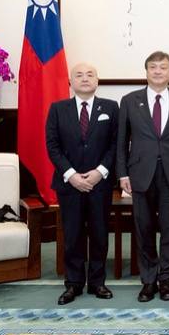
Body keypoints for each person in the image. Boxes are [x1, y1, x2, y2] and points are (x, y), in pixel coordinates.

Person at [117, 51, 169, 302]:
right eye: (153, 67)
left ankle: (166, 279)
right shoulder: (130, 101)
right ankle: (148, 281)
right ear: (146, 71)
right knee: (144, 229)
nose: (158, 71)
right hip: (140, 173)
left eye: (163, 67)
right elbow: (121, 141)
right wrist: (122, 173)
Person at [45, 63, 118, 305]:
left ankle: (97, 282)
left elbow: (116, 144)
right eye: (79, 75)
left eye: (90, 75)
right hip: (69, 184)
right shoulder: (58, 109)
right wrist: (72, 175)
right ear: (71, 82)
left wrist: (100, 172)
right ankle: (73, 284)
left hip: (100, 183)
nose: (84, 78)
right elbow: (52, 146)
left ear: (97, 80)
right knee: (73, 234)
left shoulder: (111, 107)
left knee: (99, 233)